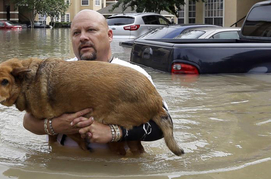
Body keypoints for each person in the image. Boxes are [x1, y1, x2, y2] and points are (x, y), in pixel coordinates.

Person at [22, 9, 168, 146]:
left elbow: (162, 125)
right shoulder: (53, 74)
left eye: (91, 30)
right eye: (76, 33)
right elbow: (28, 121)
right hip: (62, 164)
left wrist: (114, 133)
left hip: (116, 166)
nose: (83, 37)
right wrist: (55, 125)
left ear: (110, 35)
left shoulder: (134, 74)